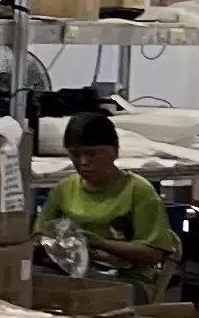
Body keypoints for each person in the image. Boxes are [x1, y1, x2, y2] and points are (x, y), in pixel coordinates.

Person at [40, 112, 177, 279]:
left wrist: (101, 244)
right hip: (71, 272)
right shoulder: (63, 189)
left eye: (92, 154)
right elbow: (39, 236)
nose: (83, 162)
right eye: (75, 155)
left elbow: (153, 253)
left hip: (126, 277)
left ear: (115, 152)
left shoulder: (138, 191)